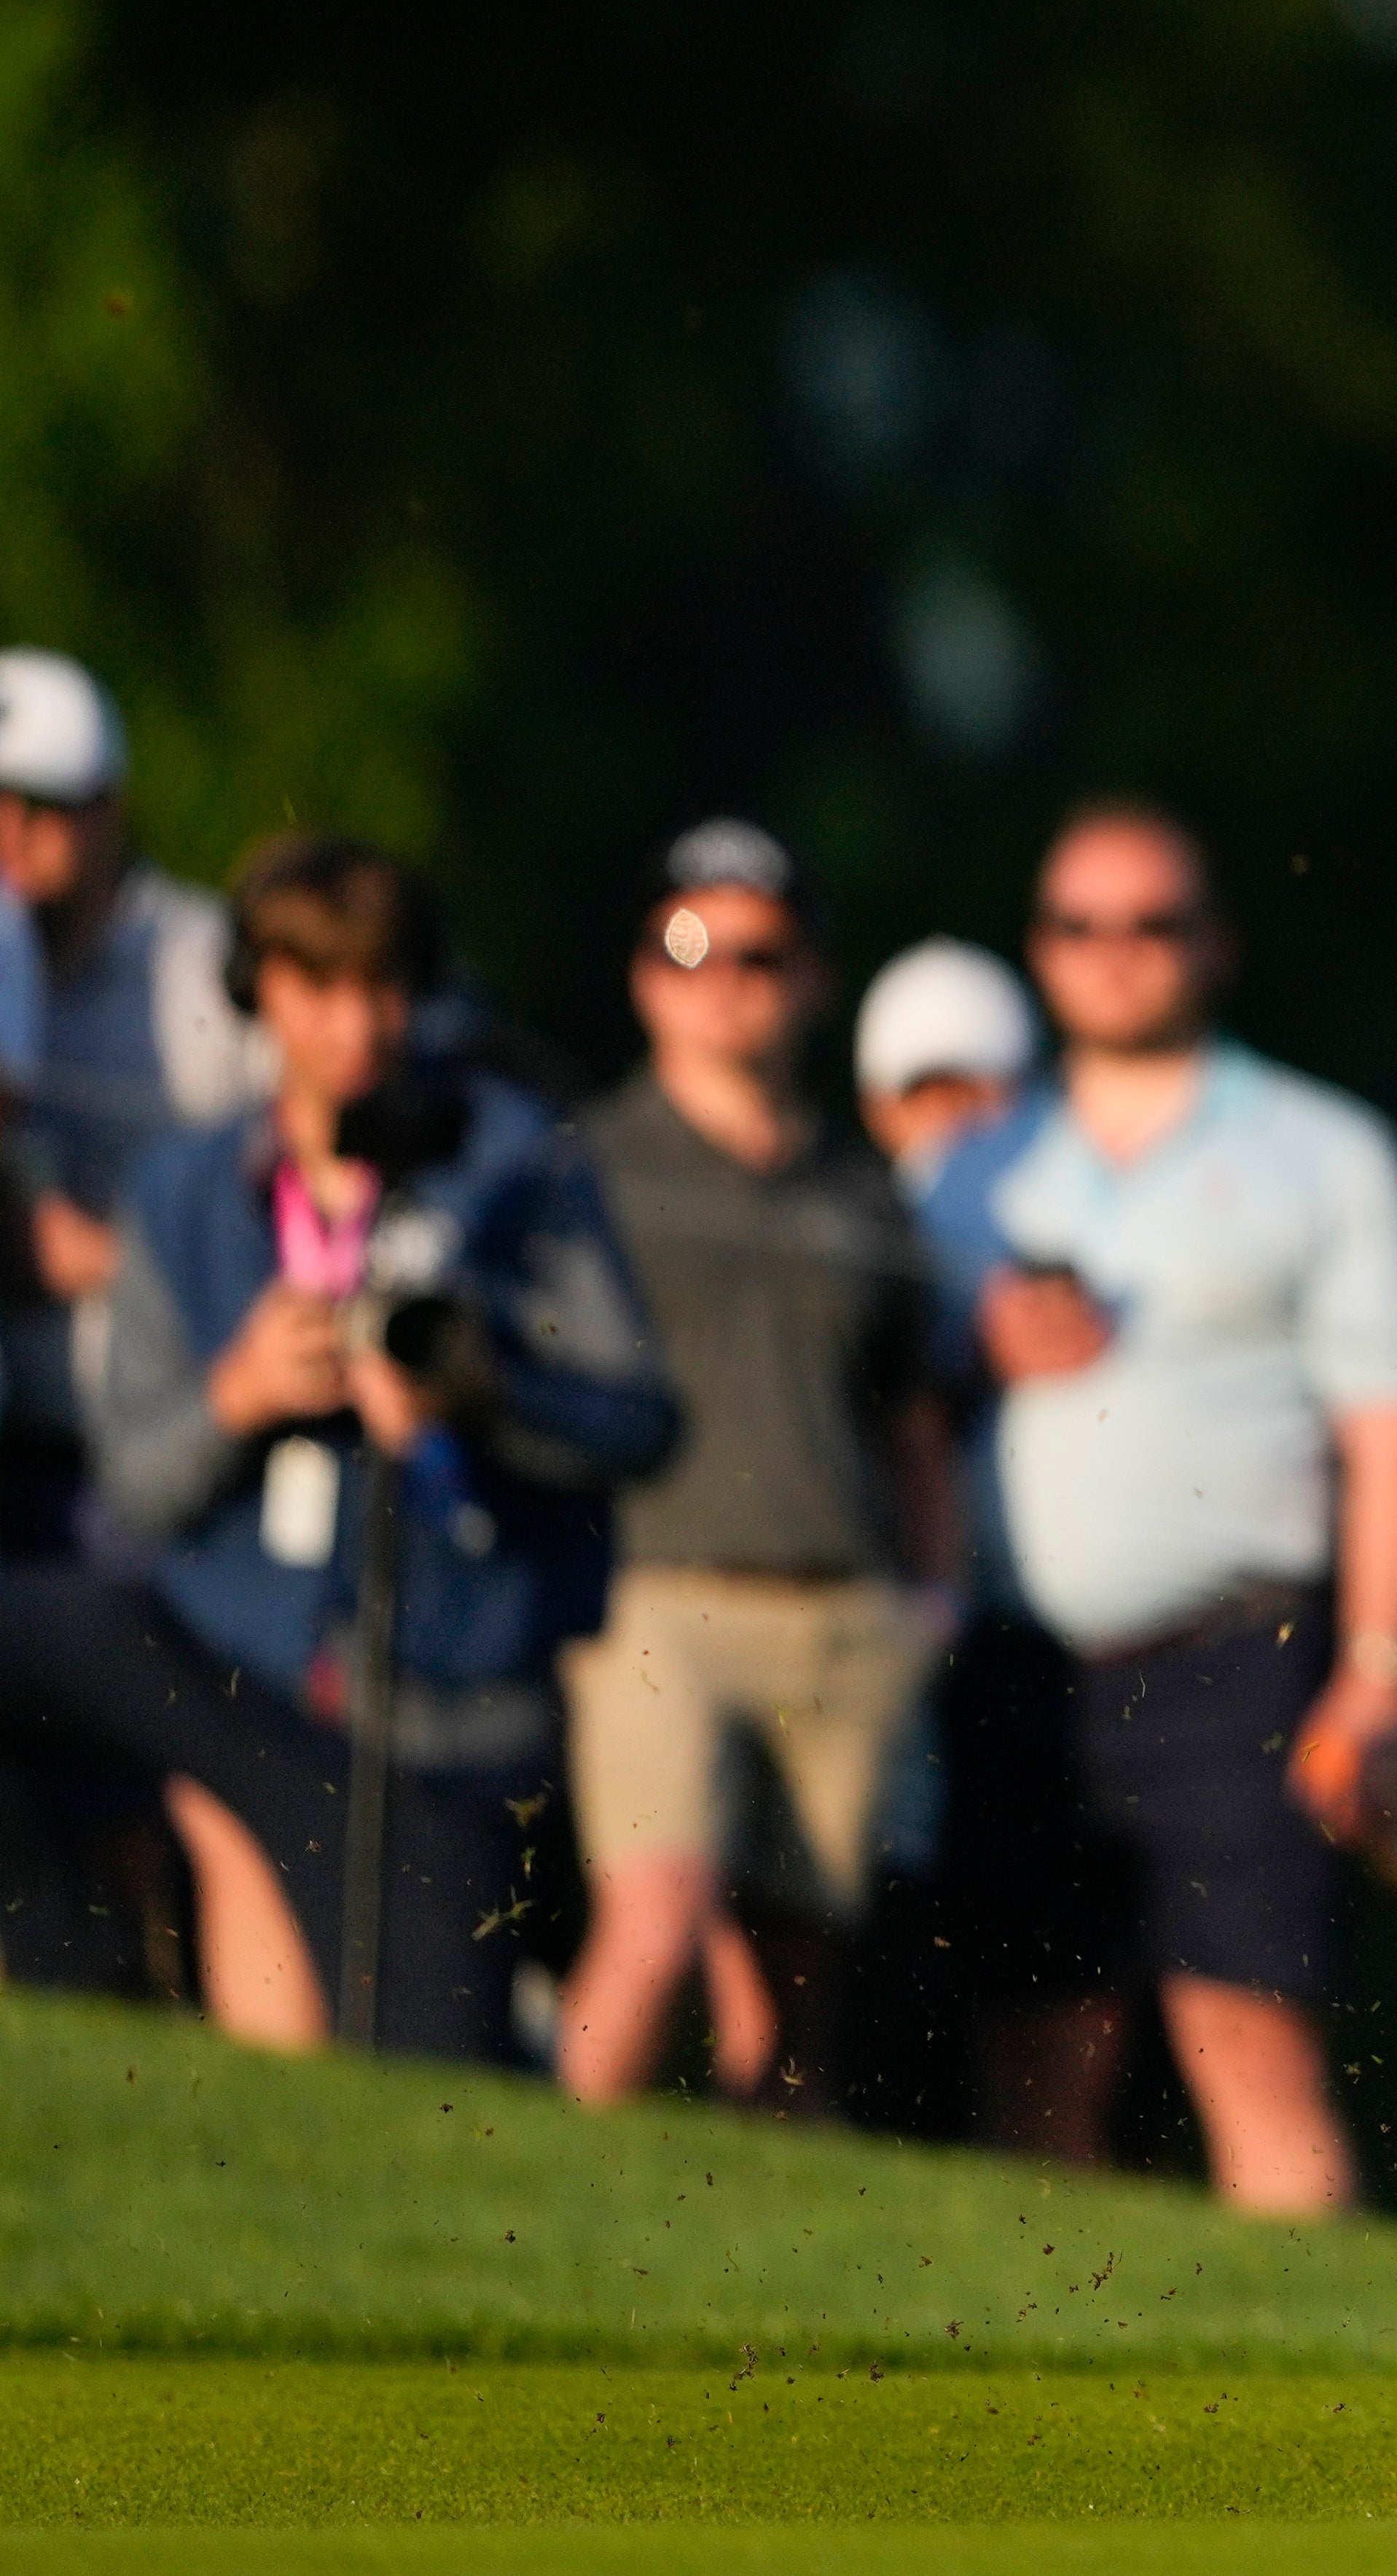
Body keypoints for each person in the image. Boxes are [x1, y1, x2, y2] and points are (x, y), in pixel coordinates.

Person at [90, 833, 677, 2059]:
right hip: (254, 1663)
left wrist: (486, 1390)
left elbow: (641, 1418)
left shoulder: (517, 1162)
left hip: (456, 1695)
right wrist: (238, 1394)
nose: (355, 1024)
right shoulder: (188, 1192)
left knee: (428, 2062)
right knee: (277, 2060)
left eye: (384, 986)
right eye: (319, 986)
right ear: (263, 995)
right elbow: (137, 1489)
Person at [947, 802, 1397, 2213]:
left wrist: (1381, 1670)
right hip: (1018, 1668)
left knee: (1251, 2043)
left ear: (1213, 944)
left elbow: (1396, 1437)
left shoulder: (1325, 1149)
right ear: (1042, 953)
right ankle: (1041, 2424)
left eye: (1152, 922)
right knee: (1040, 2059)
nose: (1115, 954)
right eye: (1078, 925)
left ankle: (1305, 2421)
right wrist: (973, 1345)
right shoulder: (974, 1165)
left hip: (1242, 1663)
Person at [554, 821, 954, 2113]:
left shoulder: (865, 1188)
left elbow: (913, 1416)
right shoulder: (589, 1164)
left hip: (843, 1610)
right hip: (652, 1593)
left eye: (762, 952)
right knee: (659, 1920)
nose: (726, 975)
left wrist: (930, 1594)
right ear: (644, 978)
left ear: (815, 978)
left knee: (793, 1997)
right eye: (690, 947)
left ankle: (734, 2290)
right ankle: (534, 2216)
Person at [0, 649, 246, 1994]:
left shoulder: (204, 967)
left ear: (107, 808)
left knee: (143, 1799)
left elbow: (272, 1193)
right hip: (18, 1425)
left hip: (151, 1447)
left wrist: (103, 1259)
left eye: (43, 804)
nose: (15, 837)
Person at [852, 936, 1036, 1190]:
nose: (952, 1124)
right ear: (876, 1111)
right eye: (924, 1097)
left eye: (972, 1096)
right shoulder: (835, 1218)